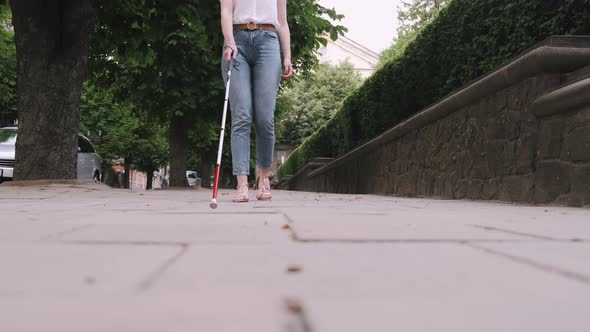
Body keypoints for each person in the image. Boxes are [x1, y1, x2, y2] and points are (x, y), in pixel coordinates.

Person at [220, 0, 293, 203]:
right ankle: (242, 183)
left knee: (264, 117)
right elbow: (226, 12)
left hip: (268, 41)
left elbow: (282, 22)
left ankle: (264, 179)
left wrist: (287, 56)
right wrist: (229, 42)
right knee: (241, 115)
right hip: (236, 41)